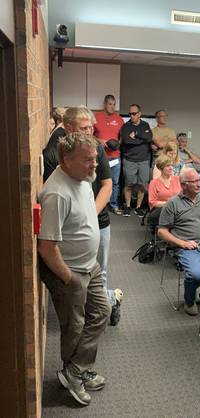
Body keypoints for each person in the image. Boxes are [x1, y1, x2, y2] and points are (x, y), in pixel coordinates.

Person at [38, 131, 111, 406]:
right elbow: (46, 247)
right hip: (69, 271)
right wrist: (70, 280)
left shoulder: (81, 178)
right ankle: (75, 375)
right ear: (65, 160)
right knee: (75, 327)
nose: (95, 165)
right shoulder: (57, 193)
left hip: (88, 266)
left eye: (95, 158)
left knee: (102, 312)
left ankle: (75, 371)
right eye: (87, 160)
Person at [157, 168, 200, 316]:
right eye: (194, 182)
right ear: (184, 185)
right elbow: (162, 231)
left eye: (199, 180)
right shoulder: (172, 204)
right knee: (196, 275)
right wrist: (182, 243)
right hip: (188, 248)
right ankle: (189, 301)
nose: (199, 184)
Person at [120, 104, 153, 217]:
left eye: (134, 113)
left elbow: (149, 138)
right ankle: (128, 206)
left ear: (139, 114)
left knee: (142, 185)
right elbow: (127, 140)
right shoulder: (126, 126)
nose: (131, 115)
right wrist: (142, 139)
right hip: (130, 159)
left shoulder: (145, 124)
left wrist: (137, 135)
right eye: (130, 113)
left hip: (143, 160)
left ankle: (138, 208)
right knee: (129, 184)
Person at [93, 96, 124, 214]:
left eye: (114, 104)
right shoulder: (96, 117)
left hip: (115, 156)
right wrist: (100, 141)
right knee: (99, 181)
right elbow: (89, 135)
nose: (112, 107)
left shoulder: (119, 119)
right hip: (101, 155)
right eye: (110, 104)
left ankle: (113, 204)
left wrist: (116, 144)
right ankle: (99, 204)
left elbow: (122, 138)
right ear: (105, 104)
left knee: (114, 182)